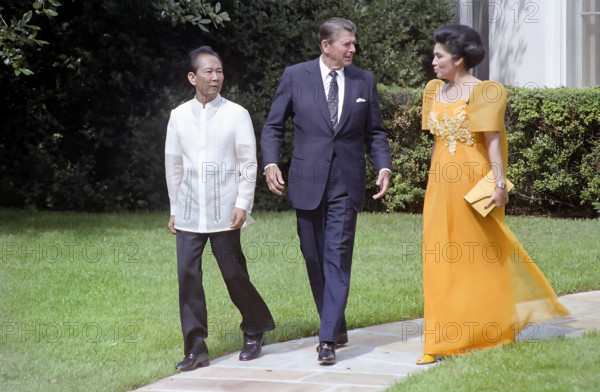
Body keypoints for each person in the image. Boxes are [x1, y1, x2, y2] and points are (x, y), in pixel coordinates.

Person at [418, 24, 570, 365]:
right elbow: (437, 145)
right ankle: (439, 340)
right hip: (440, 187)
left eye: (439, 55)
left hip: (476, 185)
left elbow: (494, 143)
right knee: (440, 259)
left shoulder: (488, 91)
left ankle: (491, 331)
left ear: (458, 59)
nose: (433, 61)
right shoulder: (433, 91)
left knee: (480, 258)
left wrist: (500, 186)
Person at [261, 17, 392, 365]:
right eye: (346, 44)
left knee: (336, 257)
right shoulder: (295, 76)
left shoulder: (365, 80)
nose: (353, 49)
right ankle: (337, 323)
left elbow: (375, 132)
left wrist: (383, 165)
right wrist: (270, 163)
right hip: (306, 180)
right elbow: (273, 126)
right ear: (326, 46)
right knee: (313, 257)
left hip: (346, 184)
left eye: (354, 44)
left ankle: (327, 339)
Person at [165, 46, 275, 371]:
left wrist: (243, 202)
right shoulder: (178, 116)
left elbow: (247, 162)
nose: (216, 77)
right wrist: (174, 208)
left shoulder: (236, 113)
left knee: (233, 273)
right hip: (187, 212)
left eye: (219, 71)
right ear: (192, 77)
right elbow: (174, 165)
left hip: (225, 210)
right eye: (208, 72)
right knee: (187, 278)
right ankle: (195, 349)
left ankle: (255, 328)